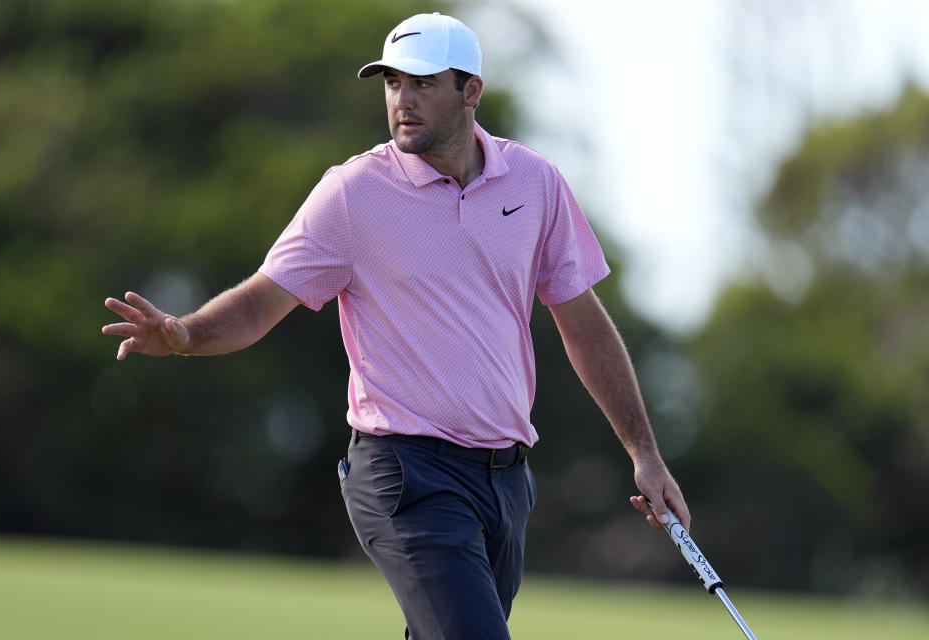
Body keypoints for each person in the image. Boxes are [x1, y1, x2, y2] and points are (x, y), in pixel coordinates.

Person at [102, 12, 689, 639]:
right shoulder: (354, 193)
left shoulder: (536, 183)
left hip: (506, 480)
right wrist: (186, 333)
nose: (401, 101)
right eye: (391, 84)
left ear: (471, 92)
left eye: (421, 84)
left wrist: (645, 454)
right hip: (405, 471)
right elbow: (259, 302)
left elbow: (585, 325)